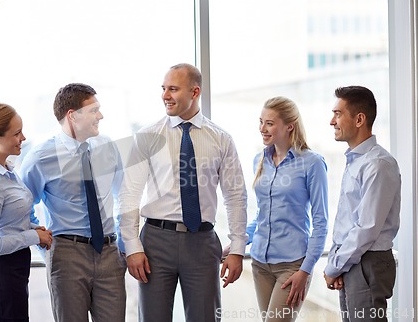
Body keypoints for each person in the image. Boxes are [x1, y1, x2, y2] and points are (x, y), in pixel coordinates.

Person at [119, 63, 248, 322]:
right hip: (155, 242)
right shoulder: (147, 136)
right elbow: (129, 194)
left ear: (195, 92)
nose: (165, 95)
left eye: (173, 89)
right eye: (164, 89)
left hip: (201, 243)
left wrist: (237, 249)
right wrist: (132, 246)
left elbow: (235, 196)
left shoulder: (221, 138)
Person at [19, 83, 126, 322]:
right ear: (73, 115)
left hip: (109, 252)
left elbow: (125, 197)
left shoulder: (108, 147)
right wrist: (46, 248)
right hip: (67, 255)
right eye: (94, 110)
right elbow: (23, 212)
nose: (101, 115)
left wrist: (124, 245)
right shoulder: (40, 157)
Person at [242, 96, 328, 321]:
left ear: (289, 125)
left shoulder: (312, 163)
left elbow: (320, 222)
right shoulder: (259, 160)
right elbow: (263, 214)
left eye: (269, 123)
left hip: (291, 267)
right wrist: (239, 242)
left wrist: (305, 271)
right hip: (260, 262)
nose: (262, 128)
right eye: (260, 121)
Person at [0, 103, 53, 322]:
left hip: (14, 268)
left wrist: (34, 228)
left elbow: (8, 220)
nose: (23, 138)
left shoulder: (7, 170)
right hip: (0, 271)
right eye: (16, 133)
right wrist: (34, 236)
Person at [324, 86, 401, 322]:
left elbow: (366, 228)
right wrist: (337, 263)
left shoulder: (378, 164)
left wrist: (334, 266)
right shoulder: (356, 160)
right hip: (353, 259)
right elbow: (347, 222)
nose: (331, 121)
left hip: (367, 260)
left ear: (359, 119)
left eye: (338, 114)